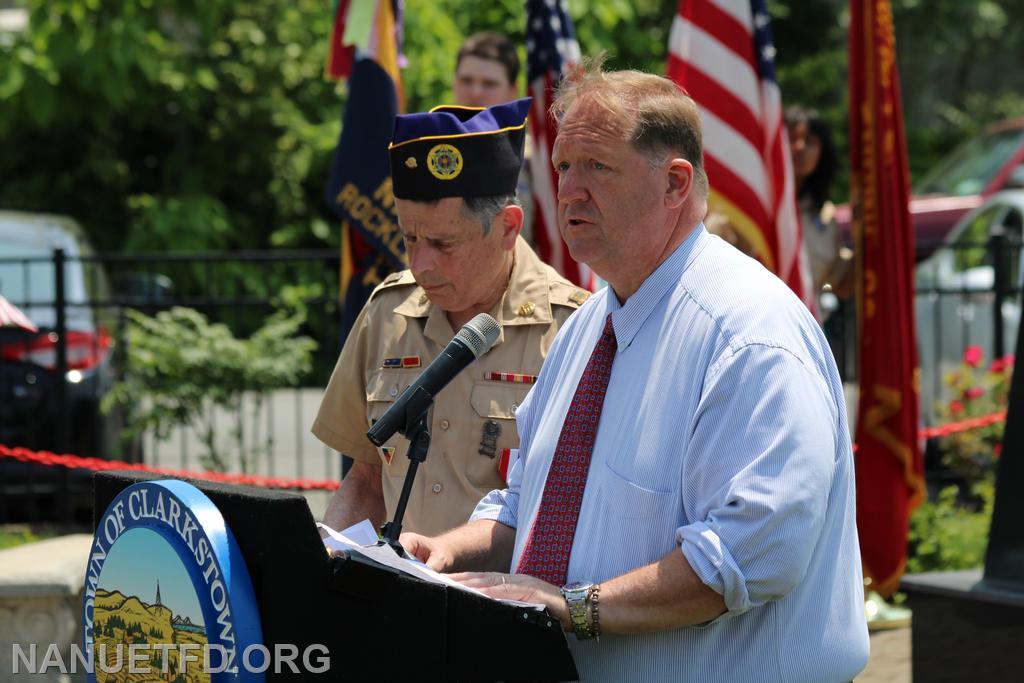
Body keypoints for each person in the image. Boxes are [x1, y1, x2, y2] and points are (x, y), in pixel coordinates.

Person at [400, 63, 869, 682]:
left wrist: (574, 610)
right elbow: (527, 504)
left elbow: (751, 554)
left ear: (676, 183)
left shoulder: (750, 334)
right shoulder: (591, 326)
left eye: (597, 167)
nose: (568, 191)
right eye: (564, 166)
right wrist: (446, 551)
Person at [312, 97, 589, 538]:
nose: (420, 264)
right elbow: (366, 480)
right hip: (399, 593)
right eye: (409, 238)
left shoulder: (572, 328)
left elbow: (570, 511)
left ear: (507, 228)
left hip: (506, 597)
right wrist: (326, 564)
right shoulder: (388, 313)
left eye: (443, 244)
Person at [454, 32, 537, 247]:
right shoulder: (427, 151)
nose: (475, 92)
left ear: (512, 91)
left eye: (489, 84)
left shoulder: (536, 161)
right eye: (466, 80)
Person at [786, 105, 852, 300]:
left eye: (810, 142)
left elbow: (837, 285)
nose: (799, 147)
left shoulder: (826, 216)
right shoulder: (756, 206)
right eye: (791, 139)